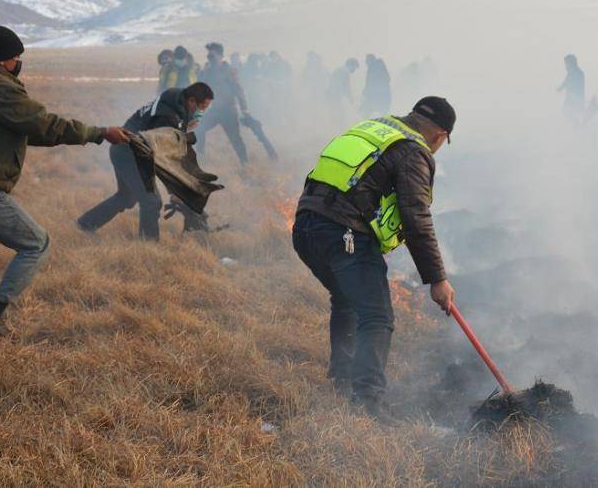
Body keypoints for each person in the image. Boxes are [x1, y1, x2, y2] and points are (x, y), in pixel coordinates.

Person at [292, 96, 457, 421]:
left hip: (306, 227)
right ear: (439, 135)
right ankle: (367, 404)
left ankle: (342, 381)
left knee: (347, 300)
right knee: (377, 316)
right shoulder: (413, 150)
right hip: (343, 235)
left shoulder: (377, 128)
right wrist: (437, 279)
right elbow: (415, 215)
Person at [0, 25, 129, 338]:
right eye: (15, 57)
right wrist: (99, 133)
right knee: (36, 243)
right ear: (0, 59)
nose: (18, 62)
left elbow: (25, 130)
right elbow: (43, 125)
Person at [76, 82, 214, 241]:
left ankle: (85, 224)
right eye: (203, 107)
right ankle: (148, 247)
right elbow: (166, 157)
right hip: (128, 153)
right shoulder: (168, 116)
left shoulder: (176, 101)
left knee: (126, 197)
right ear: (191, 101)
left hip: (128, 151)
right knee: (151, 201)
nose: (203, 112)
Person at [196, 42, 251, 166]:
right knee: (199, 129)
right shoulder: (207, 71)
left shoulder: (229, 71)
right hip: (214, 110)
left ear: (220, 56)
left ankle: (245, 162)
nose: (210, 58)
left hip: (228, 111)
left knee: (235, 138)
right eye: (208, 56)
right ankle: (200, 159)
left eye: (213, 56)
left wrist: (245, 109)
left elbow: (239, 90)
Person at [326, 58, 359, 124]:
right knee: (338, 113)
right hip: (335, 96)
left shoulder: (340, 70)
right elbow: (346, 87)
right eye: (354, 67)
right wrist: (350, 98)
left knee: (335, 112)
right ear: (350, 65)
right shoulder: (344, 72)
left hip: (332, 95)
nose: (354, 70)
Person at [557, 54, 585, 122]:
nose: (565, 66)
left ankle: (577, 122)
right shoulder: (571, 73)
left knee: (567, 111)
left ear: (572, 63)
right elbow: (565, 82)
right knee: (567, 111)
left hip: (575, 97)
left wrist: (575, 95)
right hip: (571, 97)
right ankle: (576, 122)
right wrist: (560, 88)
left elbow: (579, 86)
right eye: (565, 64)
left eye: (567, 64)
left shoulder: (578, 73)